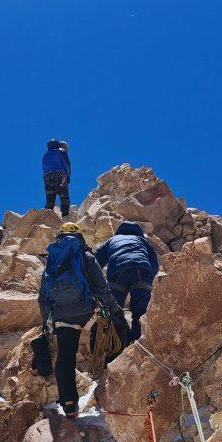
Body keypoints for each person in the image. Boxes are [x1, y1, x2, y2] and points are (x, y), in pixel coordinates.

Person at [39, 222, 128, 418]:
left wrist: (47, 323)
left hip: (62, 316)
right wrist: (116, 312)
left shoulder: (52, 261)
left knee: (65, 356)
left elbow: (43, 297)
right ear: (80, 237)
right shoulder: (87, 257)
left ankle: (69, 404)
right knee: (107, 328)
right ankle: (104, 375)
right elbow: (102, 288)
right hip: (88, 310)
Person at [95, 221, 159, 343]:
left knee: (115, 308)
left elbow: (97, 259)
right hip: (141, 271)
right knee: (141, 310)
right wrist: (150, 276)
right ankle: (136, 342)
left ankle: (118, 341)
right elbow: (153, 260)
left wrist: (99, 280)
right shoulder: (142, 241)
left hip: (118, 272)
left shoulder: (113, 239)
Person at [41, 139, 72, 217]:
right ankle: (65, 217)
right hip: (60, 176)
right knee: (64, 197)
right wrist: (67, 177)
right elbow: (67, 165)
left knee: (50, 201)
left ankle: (45, 218)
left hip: (47, 178)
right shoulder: (61, 152)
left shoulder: (45, 155)